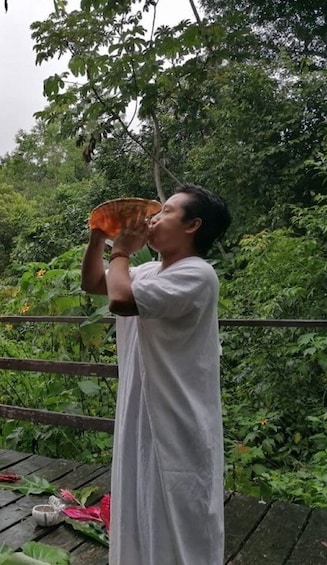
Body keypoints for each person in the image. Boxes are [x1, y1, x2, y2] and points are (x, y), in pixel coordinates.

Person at [81, 184, 231, 565]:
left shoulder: (197, 275)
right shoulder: (149, 270)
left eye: (166, 211)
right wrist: (99, 237)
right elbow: (96, 283)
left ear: (193, 225)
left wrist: (121, 251)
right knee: (139, 502)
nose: (153, 218)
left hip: (177, 417)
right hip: (141, 412)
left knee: (180, 512)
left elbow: (120, 300)